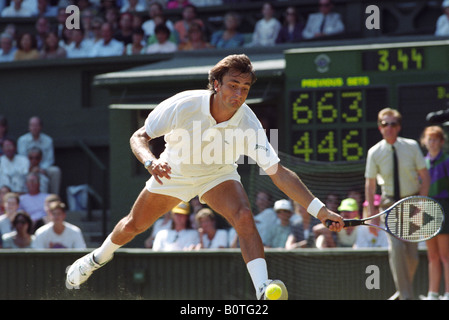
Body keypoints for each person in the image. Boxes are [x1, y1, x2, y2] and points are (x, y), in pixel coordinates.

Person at [66, 54, 343, 300]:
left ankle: (262, 289)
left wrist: (320, 210)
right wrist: (150, 161)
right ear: (216, 84)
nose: (239, 94)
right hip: (173, 172)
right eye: (233, 85)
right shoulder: (184, 104)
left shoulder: (249, 124)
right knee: (132, 226)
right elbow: (139, 136)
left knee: (244, 215)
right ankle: (94, 259)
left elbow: (279, 173)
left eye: (245, 88)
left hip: (217, 174)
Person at [365, 107, 430, 300]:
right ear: (379, 127)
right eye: (385, 124)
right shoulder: (374, 152)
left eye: (393, 124)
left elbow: (424, 177)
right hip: (389, 207)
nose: (389, 128)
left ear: (399, 126)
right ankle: (407, 296)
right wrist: (372, 214)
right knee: (397, 248)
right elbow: (370, 184)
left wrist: (421, 205)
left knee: (413, 257)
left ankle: (401, 294)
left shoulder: (411, 146)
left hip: (412, 204)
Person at [419, 126, 449, 300]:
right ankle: (432, 294)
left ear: (441, 142)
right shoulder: (422, 162)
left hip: (444, 207)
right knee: (432, 255)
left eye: (435, 139)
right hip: (427, 209)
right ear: (425, 142)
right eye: (429, 139)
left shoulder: (446, 161)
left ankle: (447, 293)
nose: (432, 143)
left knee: (445, 255)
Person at [17, 116, 61, 195]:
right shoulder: (22, 140)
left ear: (40, 127)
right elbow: (22, 158)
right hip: (27, 167)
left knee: (55, 171)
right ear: (29, 127)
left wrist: (41, 169)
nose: (34, 128)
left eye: (36, 125)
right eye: (32, 125)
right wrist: (31, 168)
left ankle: (54, 198)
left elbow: (50, 159)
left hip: (43, 167)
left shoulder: (48, 140)